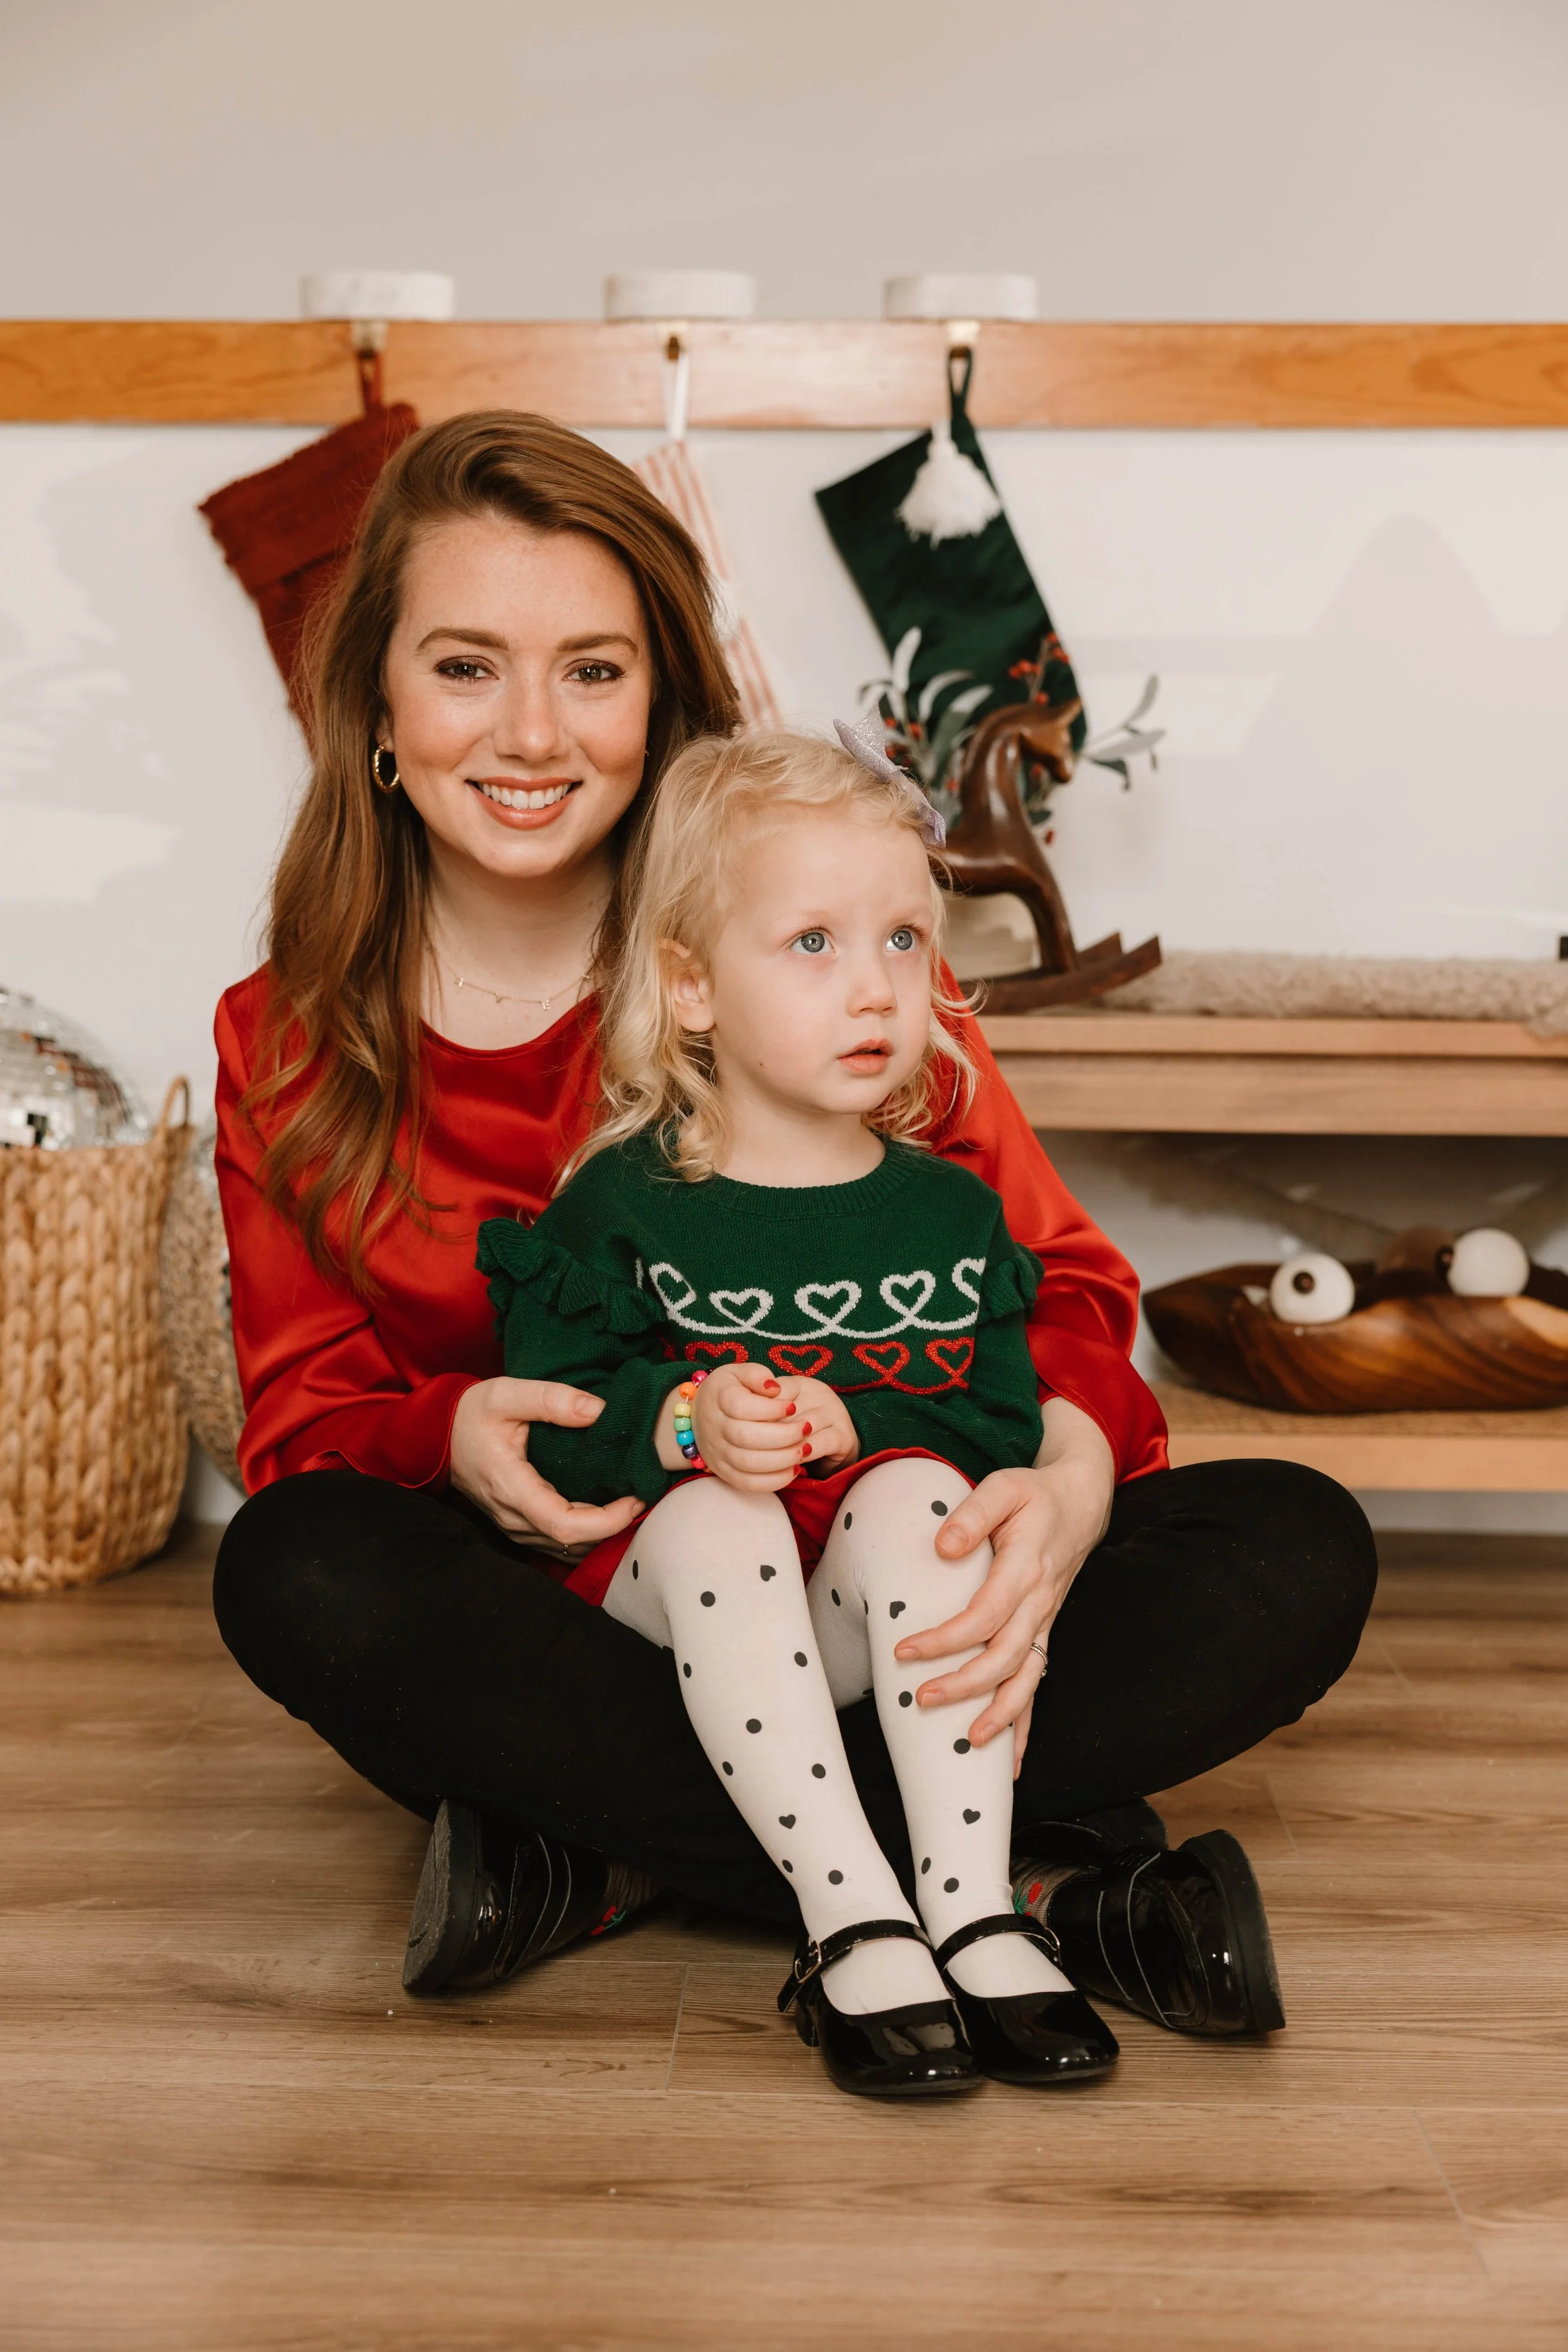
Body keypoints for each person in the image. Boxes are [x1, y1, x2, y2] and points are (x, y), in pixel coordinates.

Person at [211, 411, 1376, 2070]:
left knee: (1292, 1539)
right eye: (467, 666)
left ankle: (602, 1862)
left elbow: (1056, 1296)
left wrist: (1059, 1478)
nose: (533, 729)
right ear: (377, 709)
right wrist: (454, 1434)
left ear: (660, 704)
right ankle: (1022, 1895)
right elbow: (303, 1435)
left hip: (903, 1565)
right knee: (301, 1568)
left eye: (592, 671)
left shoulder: (824, 950)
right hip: (589, 1601)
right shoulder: (282, 1036)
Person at [473, 722, 1128, 2097]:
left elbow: (999, 1432)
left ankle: (970, 1902)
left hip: (845, 1626)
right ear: (691, 988)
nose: (876, 989)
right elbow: (553, 1422)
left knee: (923, 1503)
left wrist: (871, 1432)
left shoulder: (949, 1208)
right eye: (813, 945)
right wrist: (679, 1420)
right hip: (669, 1613)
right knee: (721, 1520)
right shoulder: (624, 1202)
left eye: (902, 939)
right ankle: (850, 1916)